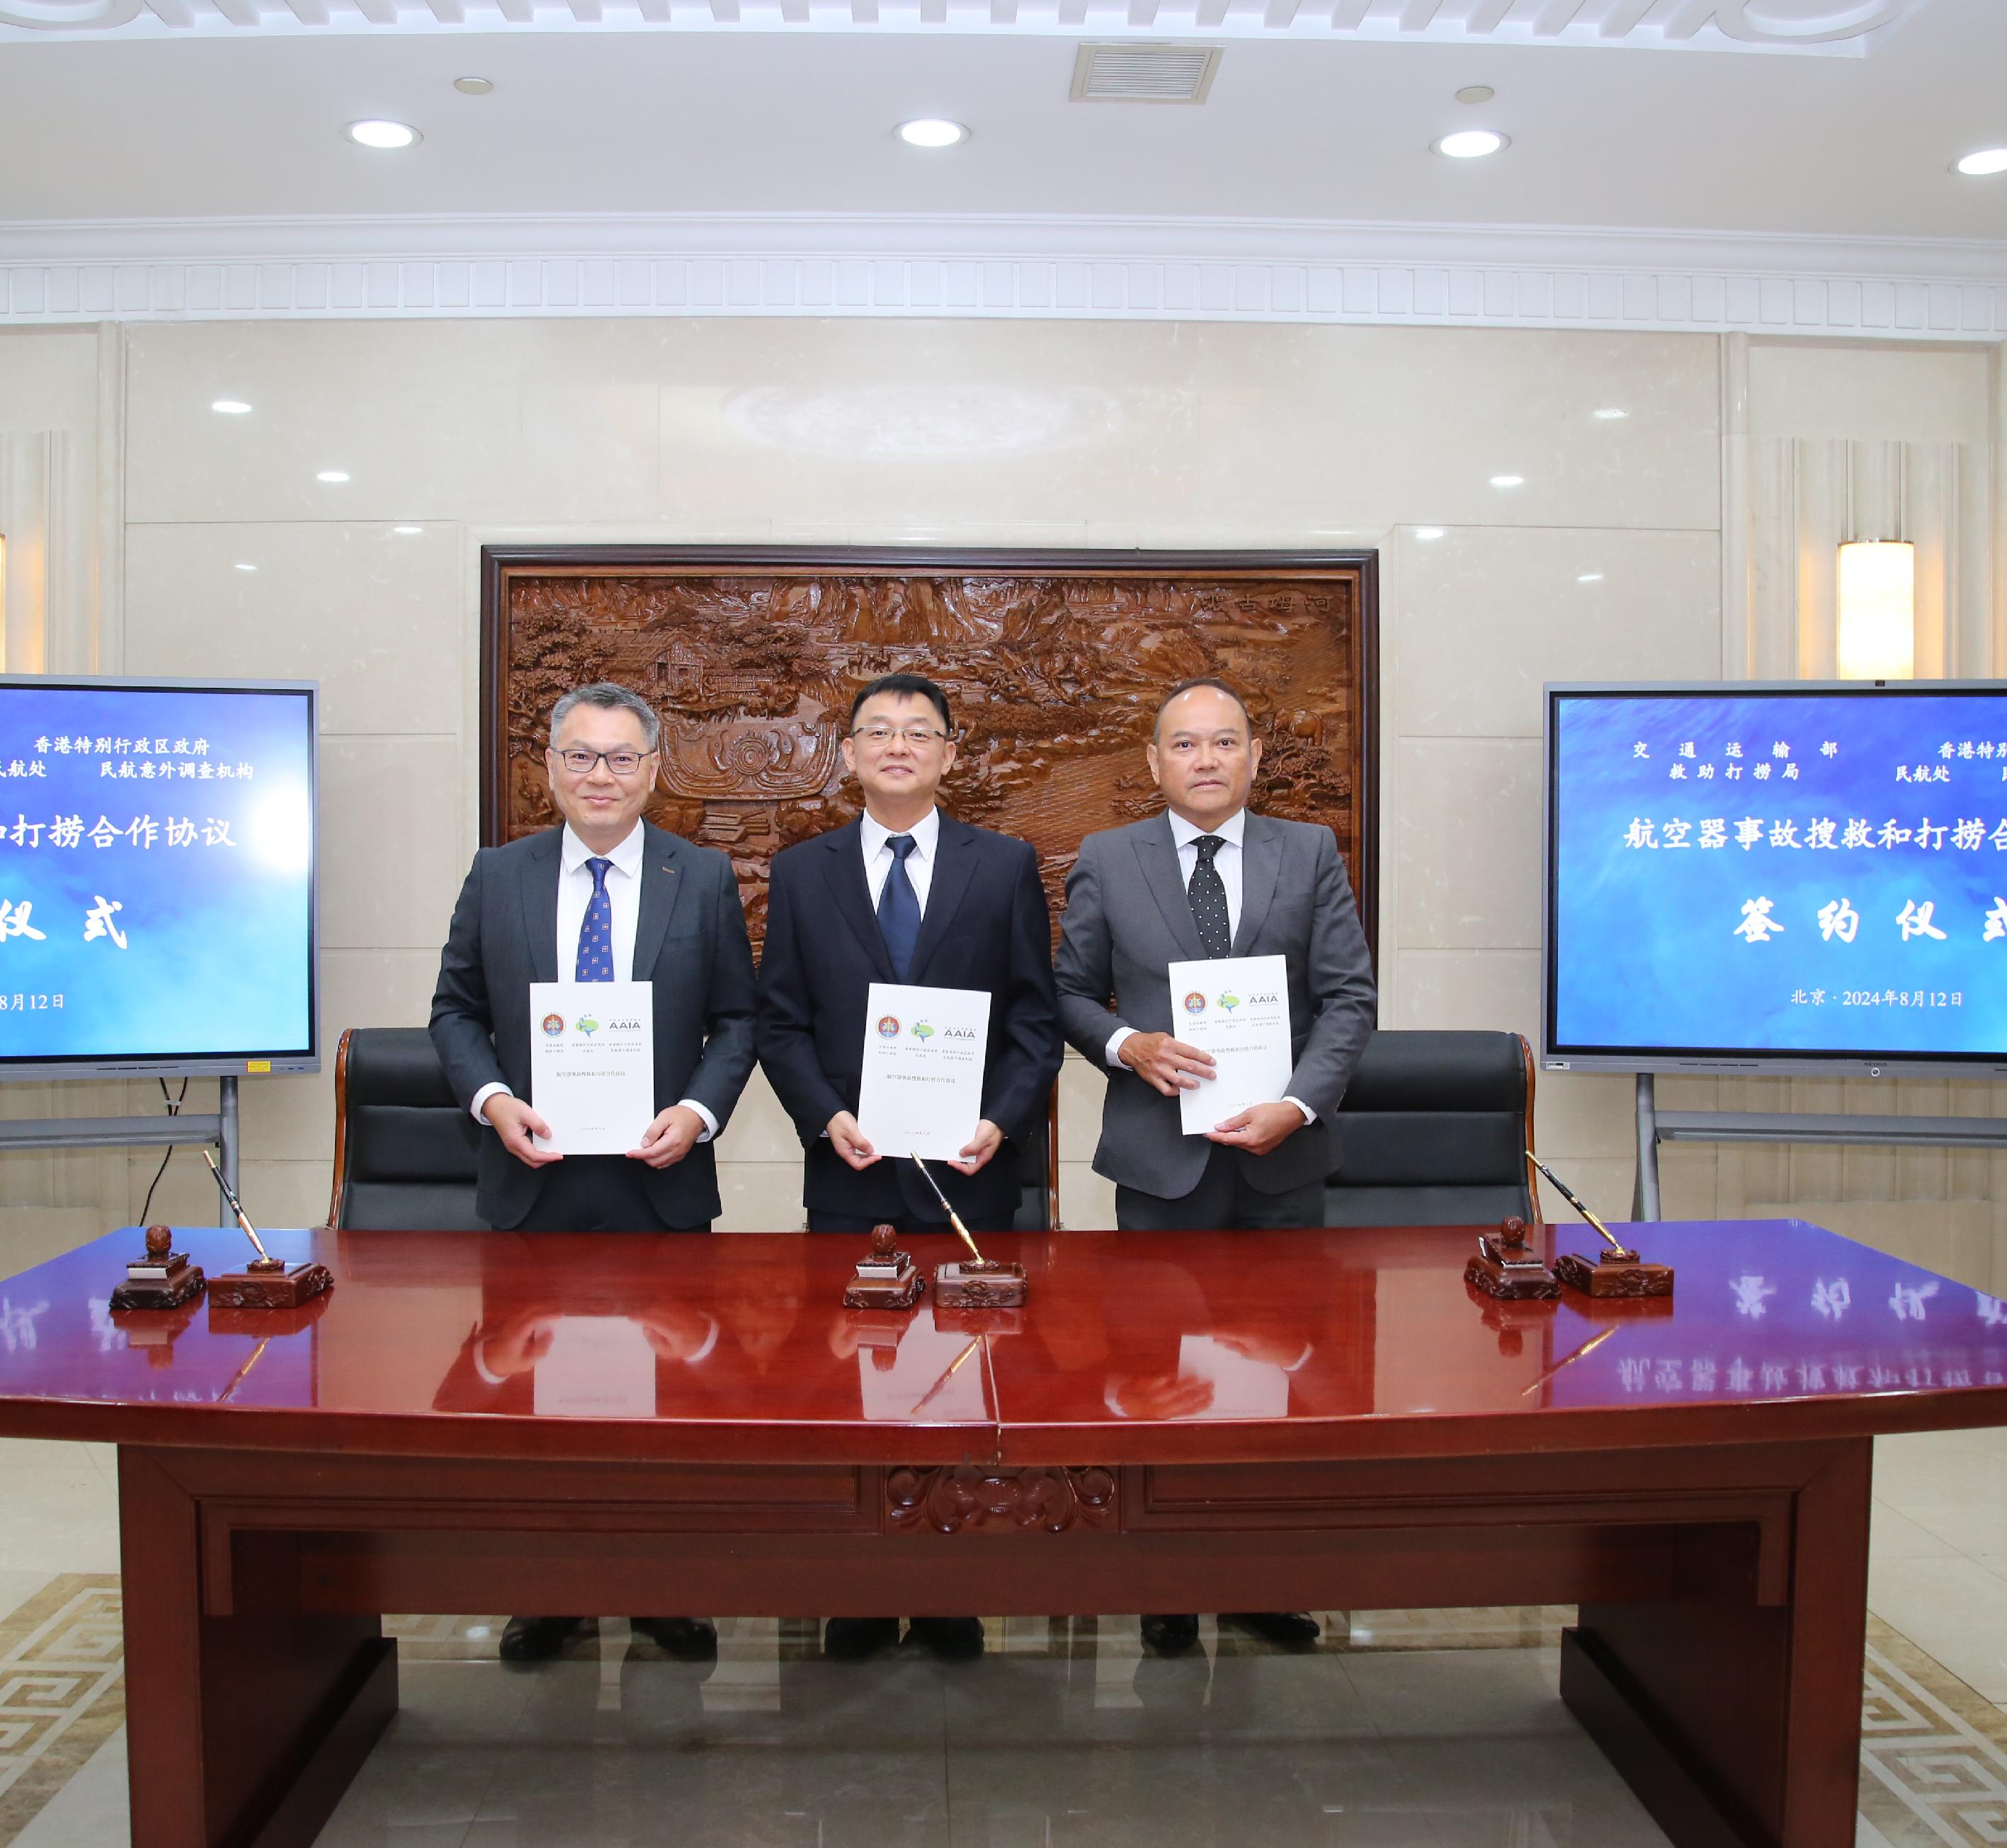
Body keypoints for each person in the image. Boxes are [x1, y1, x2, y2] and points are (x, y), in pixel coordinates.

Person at [429, 680, 759, 1666]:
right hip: (535, 1178)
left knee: (666, 1402)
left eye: (621, 758)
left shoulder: (700, 878)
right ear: (551, 769)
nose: (600, 776)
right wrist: (494, 1102)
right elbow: (454, 1012)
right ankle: (553, 1594)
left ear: (653, 771)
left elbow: (737, 1021)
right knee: (541, 1406)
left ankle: (665, 1592)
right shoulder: (500, 874)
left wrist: (696, 1113)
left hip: (658, 1183)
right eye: (580, 756)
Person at [1053, 674, 1377, 1657]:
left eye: (1224, 742)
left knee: (1276, 1381)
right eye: (1185, 745)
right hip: (1161, 1170)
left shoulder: (1309, 852)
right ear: (1154, 764)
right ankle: (1165, 1589)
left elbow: (1348, 1001)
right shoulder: (1109, 859)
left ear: (1254, 758)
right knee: (1160, 1379)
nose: (1205, 760)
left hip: (1282, 1164)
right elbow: (1068, 991)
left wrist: (1297, 1103)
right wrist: (1128, 1047)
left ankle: (1260, 1581)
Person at [756, 671, 1059, 1664]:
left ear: (949, 753)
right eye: (878, 731)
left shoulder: (1004, 864)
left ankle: (947, 1590)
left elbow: (1033, 1023)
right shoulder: (802, 873)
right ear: (846, 752)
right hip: (851, 1176)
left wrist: (1001, 1124)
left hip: (968, 1176)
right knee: (856, 1385)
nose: (897, 745)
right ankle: (859, 1590)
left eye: (918, 732)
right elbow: (782, 1022)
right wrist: (825, 1115)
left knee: (964, 1384)